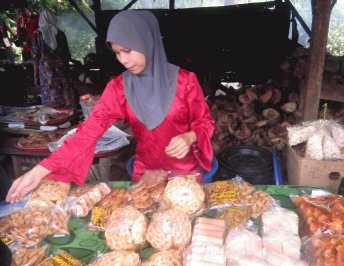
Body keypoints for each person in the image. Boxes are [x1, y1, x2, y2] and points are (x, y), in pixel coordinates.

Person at [6, 10, 215, 204]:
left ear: (147, 42)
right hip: (146, 177)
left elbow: (204, 122)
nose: (123, 60)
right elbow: (87, 133)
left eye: (127, 50)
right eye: (117, 53)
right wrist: (40, 171)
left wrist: (189, 137)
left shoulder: (185, 81)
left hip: (185, 177)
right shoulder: (120, 88)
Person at [31, 10, 77, 108]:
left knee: (49, 91)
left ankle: (53, 114)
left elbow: (35, 57)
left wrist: (35, 76)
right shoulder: (60, 33)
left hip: (46, 70)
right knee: (64, 90)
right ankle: (67, 111)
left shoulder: (37, 34)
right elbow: (67, 54)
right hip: (62, 68)